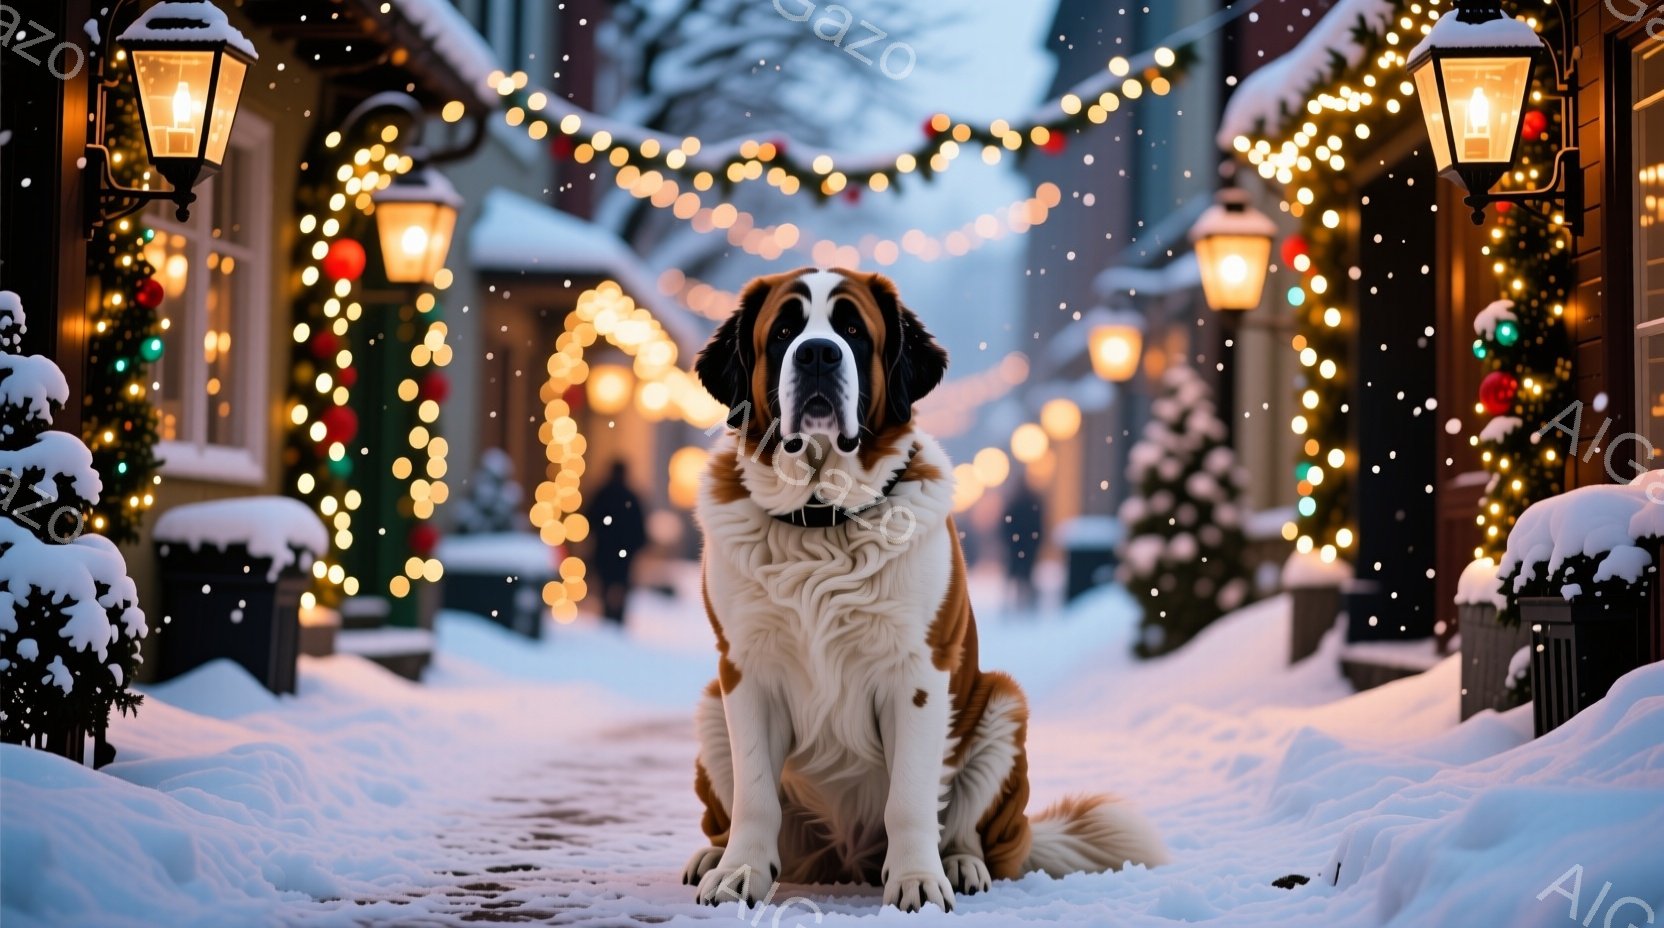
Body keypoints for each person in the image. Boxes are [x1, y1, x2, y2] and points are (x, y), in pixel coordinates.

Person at [589, 460, 647, 626]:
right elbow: (640, 529)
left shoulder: (602, 494)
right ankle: (617, 617)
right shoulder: (631, 497)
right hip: (623, 552)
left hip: (605, 550)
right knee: (620, 586)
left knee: (606, 586)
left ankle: (608, 615)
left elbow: (590, 518)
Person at [1003, 480, 1045, 612]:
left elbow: (1005, 525)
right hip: (1027, 546)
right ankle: (1028, 604)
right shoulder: (1032, 504)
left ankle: (1012, 605)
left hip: (1016, 546)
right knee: (1027, 576)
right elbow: (1038, 526)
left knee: (1015, 576)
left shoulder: (1014, 504)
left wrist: (1010, 541)